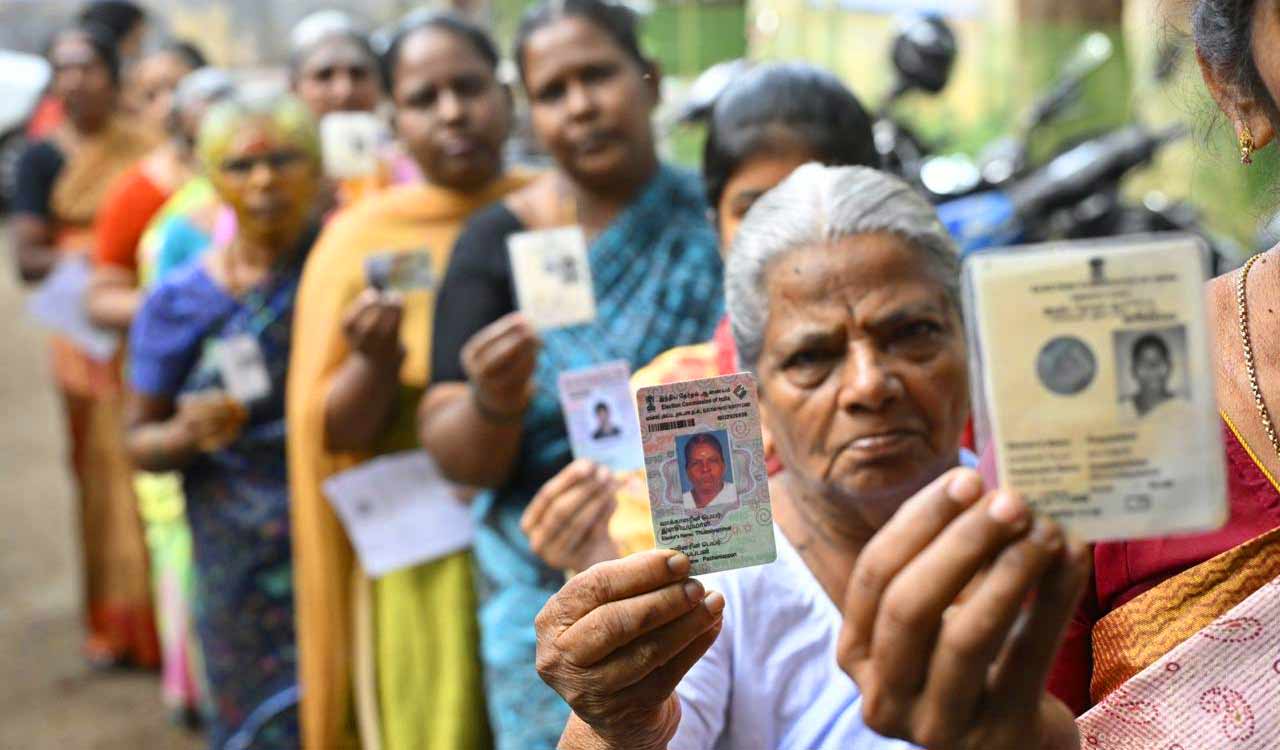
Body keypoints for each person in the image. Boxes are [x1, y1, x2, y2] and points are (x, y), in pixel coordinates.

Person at [533, 165, 1004, 749]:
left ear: (969, 343)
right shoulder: (720, 585)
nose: (869, 385)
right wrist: (614, 724)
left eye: (911, 333)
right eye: (812, 358)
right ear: (754, 404)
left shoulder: (1047, 525)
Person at [420, 0, 724, 745]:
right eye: (554, 91)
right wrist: (494, 401)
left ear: (648, 82)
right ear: (532, 113)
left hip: (710, 557)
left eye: (599, 75)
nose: (582, 105)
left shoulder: (717, 219)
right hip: (541, 570)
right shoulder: (499, 240)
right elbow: (452, 453)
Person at [520, 62, 880, 572]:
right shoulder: (679, 392)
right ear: (716, 228)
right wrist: (596, 559)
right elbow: (675, 600)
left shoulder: (908, 380)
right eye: (754, 210)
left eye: (807, 204)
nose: (782, 236)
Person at [287, 13, 529, 750]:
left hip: (550, 522)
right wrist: (375, 364)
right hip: (422, 550)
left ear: (507, 97)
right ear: (394, 118)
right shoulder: (360, 239)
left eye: (469, 88)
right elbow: (329, 428)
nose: (452, 112)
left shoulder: (554, 209)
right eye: (425, 98)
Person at [124, 89, 322, 750]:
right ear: (213, 180)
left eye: (284, 159)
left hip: (337, 531)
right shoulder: (181, 301)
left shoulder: (337, 270)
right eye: (240, 166)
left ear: (315, 168)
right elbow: (139, 439)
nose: (264, 180)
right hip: (237, 554)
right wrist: (184, 433)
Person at [9, 22, 158, 669]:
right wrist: (96, 260)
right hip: (86, 338)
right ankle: (116, 623)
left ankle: (166, 624)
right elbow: (28, 255)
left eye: (87, 66)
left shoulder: (145, 147)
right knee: (101, 473)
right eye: (62, 68)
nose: (75, 79)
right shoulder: (40, 158)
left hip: (149, 321)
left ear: (112, 75)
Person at [87, 42, 206, 332]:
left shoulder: (253, 171)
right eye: (151, 95)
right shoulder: (136, 191)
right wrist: (180, 306)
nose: (168, 105)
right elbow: (101, 300)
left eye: (178, 88)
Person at [680, 433, 735, 510]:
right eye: (696, 463)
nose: (705, 469)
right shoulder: (679, 504)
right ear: (687, 472)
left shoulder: (737, 493)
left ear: (723, 466)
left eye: (712, 461)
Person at [1126, 333, 1175, 418]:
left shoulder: (1186, 410)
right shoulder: (1121, 410)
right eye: (1144, 363)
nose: (1152, 368)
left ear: (1169, 367)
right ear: (1133, 371)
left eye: (1158, 361)